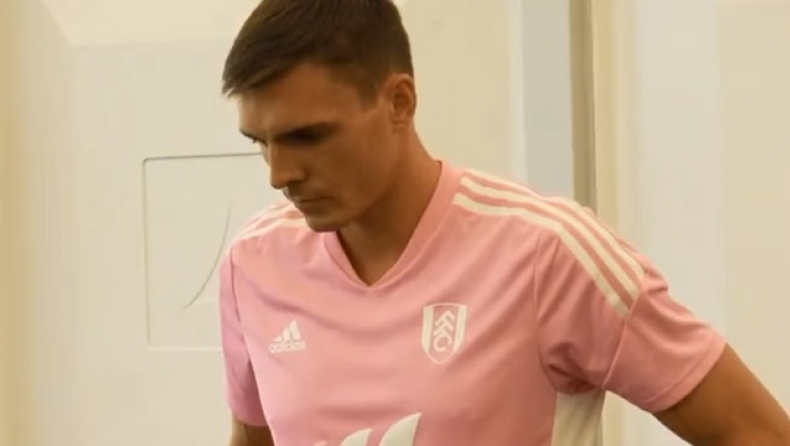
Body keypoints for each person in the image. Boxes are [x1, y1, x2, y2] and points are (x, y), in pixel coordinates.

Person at [216, 1, 790, 445]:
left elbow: (757, 433)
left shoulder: (549, 252)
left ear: (399, 102)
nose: (280, 174)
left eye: (308, 137)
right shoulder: (254, 264)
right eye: (260, 142)